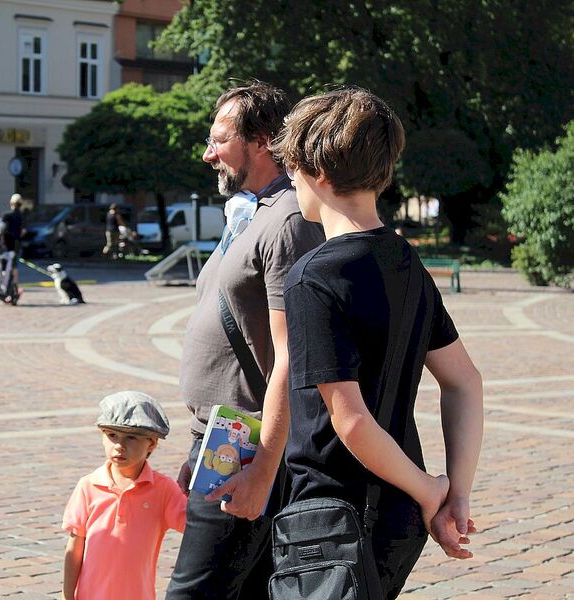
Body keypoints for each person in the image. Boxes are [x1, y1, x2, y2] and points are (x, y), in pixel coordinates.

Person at [275, 87, 483, 597]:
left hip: (333, 520)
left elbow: (349, 421)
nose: (290, 179)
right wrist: (455, 493)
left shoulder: (313, 277)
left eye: (293, 166)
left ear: (318, 170)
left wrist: (431, 489)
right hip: (398, 517)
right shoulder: (405, 261)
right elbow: (465, 382)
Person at [166, 82, 325, 599]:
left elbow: (292, 357)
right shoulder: (252, 212)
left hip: (246, 447)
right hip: (222, 439)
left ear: (261, 142)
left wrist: (261, 473)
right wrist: (201, 442)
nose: (208, 154)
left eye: (219, 141)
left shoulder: (288, 220)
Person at [63, 391, 186, 600]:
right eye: (112, 435)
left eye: (131, 437)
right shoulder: (88, 486)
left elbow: (193, 525)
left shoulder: (163, 489)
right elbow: (74, 547)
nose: (119, 446)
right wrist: (67, 595)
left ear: (152, 443)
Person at [1, 193, 25, 298]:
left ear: (11, 203)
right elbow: (23, 232)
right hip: (16, 245)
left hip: (5, 245)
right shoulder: (21, 217)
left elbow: (1, 230)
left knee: (4, 267)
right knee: (14, 267)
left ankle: (3, 287)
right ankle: (15, 288)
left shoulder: (6, 216)